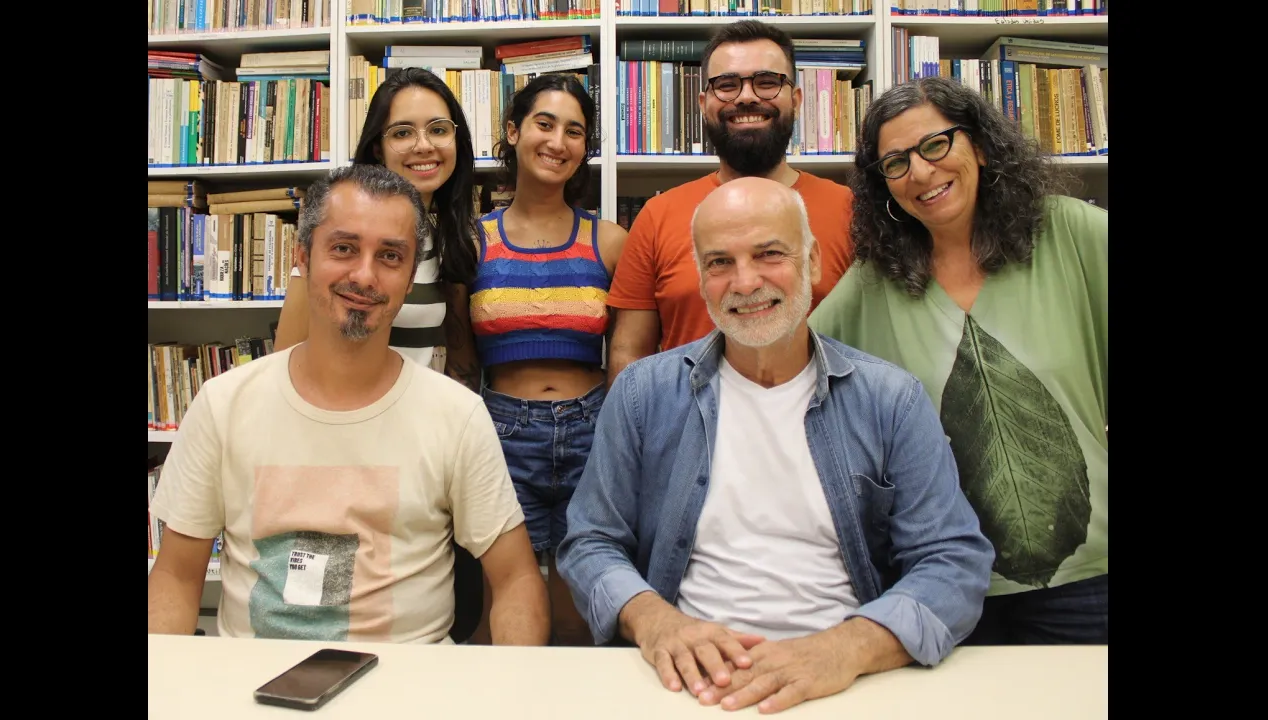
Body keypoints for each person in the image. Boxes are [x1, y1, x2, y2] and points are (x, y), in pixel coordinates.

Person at [556, 176, 994, 714]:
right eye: (720, 262)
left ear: (813, 262)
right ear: (701, 277)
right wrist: (656, 621)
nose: (745, 282)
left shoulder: (891, 401)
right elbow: (590, 541)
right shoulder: (643, 395)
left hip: (848, 685)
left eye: (769, 254)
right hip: (683, 687)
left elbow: (954, 561)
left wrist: (846, 648)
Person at [147, 164, 549, 646]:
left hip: (413, 682)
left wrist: (509, 684)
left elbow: (516, 579)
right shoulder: (223, 404)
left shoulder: (457, 416)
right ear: (302, 257)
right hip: (254, 683)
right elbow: (176, 577)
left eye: (390, 256)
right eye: (343, 248)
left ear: (409, 278)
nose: (364, 275)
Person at [808, 76, 1108, 646]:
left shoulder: (1071, 233)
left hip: (1087, 577)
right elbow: (789, 364)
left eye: (935, 144)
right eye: (895, 163)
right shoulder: (874, 284)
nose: (921, 173)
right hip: (941, 582)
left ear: (982, 145)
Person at [605, 19, 856, 388]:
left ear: (797, 100)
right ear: (703, 104)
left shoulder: (851, 210)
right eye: (726, 85)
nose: (746, 97)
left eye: (767, 82)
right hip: (690, 422)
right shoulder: (657, 216)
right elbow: (629, 353)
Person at [468, 74, 628, 646]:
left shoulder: (609, 241)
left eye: (574, 131)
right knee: (502, 606)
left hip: (592, 429)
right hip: (500, 432)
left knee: (578, 609)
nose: (558, 141)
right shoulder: (474, 241)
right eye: (544, 123)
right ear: (513, 132)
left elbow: (629, 352)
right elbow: (461, 357)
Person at [274, 68, 482, 392]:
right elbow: (282, 367)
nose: (424, 146)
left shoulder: (445, 241)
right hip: (337, 415)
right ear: (377, 148)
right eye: (402, 133)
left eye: (438, 129)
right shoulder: (339, 240)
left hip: (412, 417)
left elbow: (456, 362)